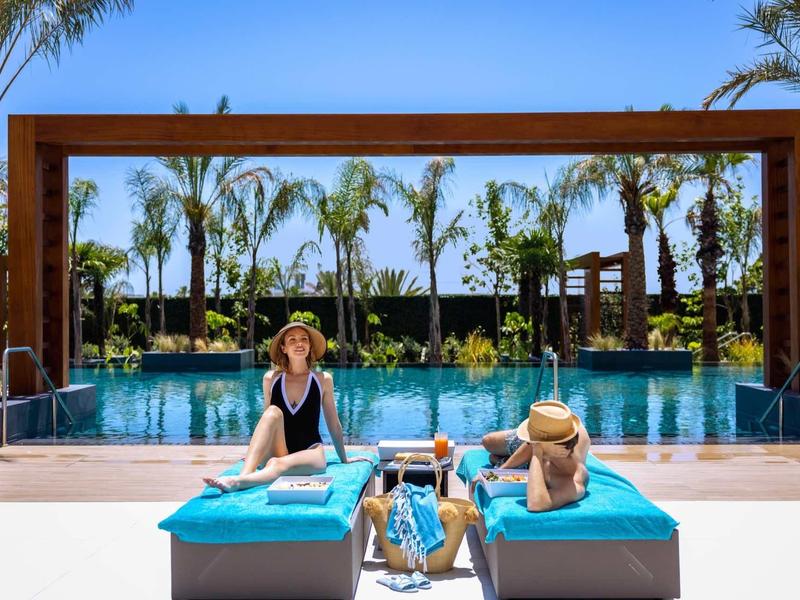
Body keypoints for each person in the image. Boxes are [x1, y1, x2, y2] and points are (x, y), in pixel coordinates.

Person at [203, 321, 370, 492]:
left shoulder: (322, 380)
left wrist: (344, 459)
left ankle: (240, 482)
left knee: (276, 463)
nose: (299, 343)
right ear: (283, 348)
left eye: (304, 339)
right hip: (279, 449)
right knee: (272, 412)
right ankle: (243, 476)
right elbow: (267, 424)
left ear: (310, 345)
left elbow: (334, 425)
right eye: (292, 340)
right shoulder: (271, 379)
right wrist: (252, 456)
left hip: (310, 453)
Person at [476, 401, 590, 512]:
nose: (531, 442)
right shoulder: (562, 433)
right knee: (488, 441)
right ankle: (506, 461)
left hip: (539, 457)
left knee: (493, 458)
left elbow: (535, 504)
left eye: (535, 441)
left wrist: (537, 451)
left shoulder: (574, 484)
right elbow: (529, 444)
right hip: (539, 443)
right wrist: (496, 474)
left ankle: (508, 461)